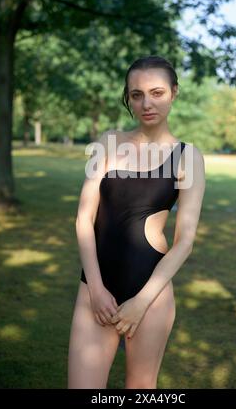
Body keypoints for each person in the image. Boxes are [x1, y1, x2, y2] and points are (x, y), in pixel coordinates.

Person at [68, 55, 206, 389]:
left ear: (173, 92)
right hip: (96, 290)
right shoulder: (107, 143)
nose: (147, 103)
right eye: (137, 95)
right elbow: (84, 219)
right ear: (128, 98)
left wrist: (141, 303)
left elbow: (184, 241)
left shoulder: (189, 158)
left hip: (151, 296)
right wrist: (97, 290)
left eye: (157, 93)